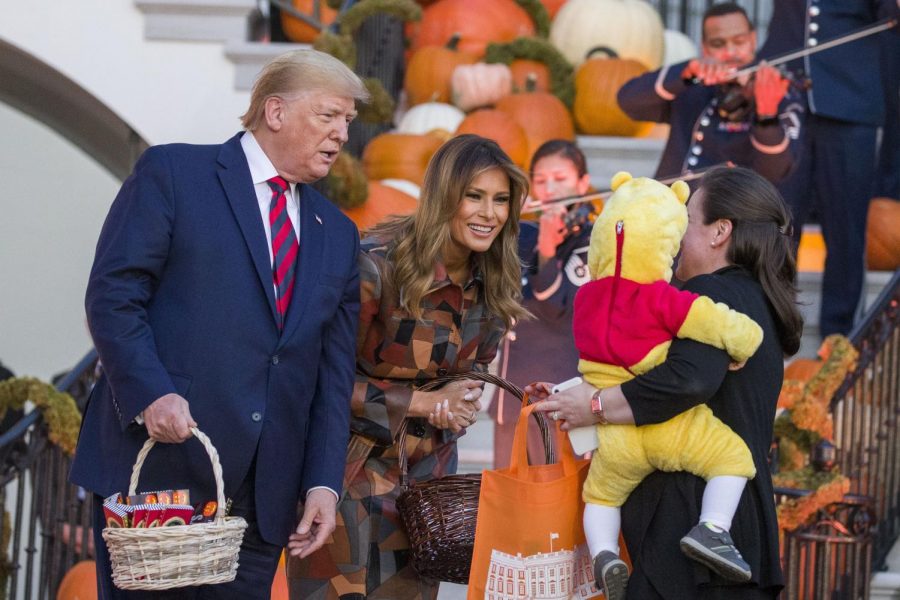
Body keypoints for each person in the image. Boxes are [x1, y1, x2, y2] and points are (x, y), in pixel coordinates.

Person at [69, 49, 368, 598]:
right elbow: (113, 296)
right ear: (275, 112)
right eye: (329, 115)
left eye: (348, 121)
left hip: (262, 500)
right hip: (160, 477)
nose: (342, 133)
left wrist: (324, 481)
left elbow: (331, 373)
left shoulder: (339, 234)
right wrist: (150, 394)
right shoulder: (175, 173)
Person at [532, 166, 804, 598]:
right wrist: (570, 397)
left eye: (688, 220)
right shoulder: (749, 297)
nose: (677, 237)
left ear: (720, 232)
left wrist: (596, 405)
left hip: (691, 529)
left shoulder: (716, 296)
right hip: (717, 525)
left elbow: (686, 380)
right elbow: (652, 368)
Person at [286, 134, 531, 599]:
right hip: (344, 475)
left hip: (427, 492)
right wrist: (420, 402)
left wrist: (459, 399)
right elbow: (316, 379)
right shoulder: (375, 265)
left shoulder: (495, 279)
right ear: (444, 197)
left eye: (501, 200)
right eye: (474, 197)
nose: (489, 214)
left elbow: (475, 367)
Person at [759, 0, 900, 336]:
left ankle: (839, 341)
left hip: (851, 103)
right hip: (785, 97)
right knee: (776, 226)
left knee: (846, 232)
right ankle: (770, 333)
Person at [617, 2, 803, 183]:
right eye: (718, 44)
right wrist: (685, 73)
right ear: (705, 48)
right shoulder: (691, 86)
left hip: (727, 212)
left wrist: (767, 114)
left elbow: (775, 172)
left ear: (753, 40)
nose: (730, 52)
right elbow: (628, 102)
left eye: (739, 42)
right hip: (670, 206)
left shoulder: (777, 91)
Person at [491, 139, 592, 468]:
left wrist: (549, 250)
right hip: (512, 398)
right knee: (512, 507)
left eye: (561, 178)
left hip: (563, 400)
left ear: (583, 184)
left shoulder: (593, 242)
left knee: (561, 511)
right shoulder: (523, 236)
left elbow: (555, 310)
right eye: (541, 180)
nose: (550, 188)